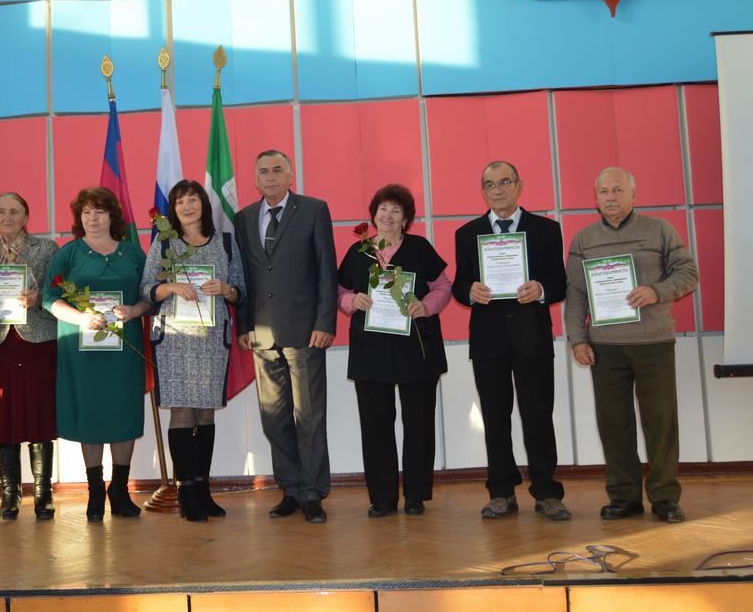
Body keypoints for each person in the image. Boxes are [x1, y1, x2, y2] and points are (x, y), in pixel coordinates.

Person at [566, 167, 698, 523]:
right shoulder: (583, 239)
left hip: (654, 342)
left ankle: (665, 498)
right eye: (603, 191)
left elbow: (688, 273)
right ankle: (624, 497)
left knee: (661, 423)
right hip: (605, 348)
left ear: (633, 195)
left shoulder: (660, 229)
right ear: (595, 199)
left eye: (618, 190)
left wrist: (657, 291)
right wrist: (577, 338)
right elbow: (576, 294)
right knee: (614, 424)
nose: (610, 197)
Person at [452, 161, 570, 521]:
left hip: (532, 337)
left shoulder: (546, 229)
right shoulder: (467, 233)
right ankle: (501, 491)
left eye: (504, 182)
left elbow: (560, 282)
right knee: (495, 417)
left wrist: (542, 289)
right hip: (488, 341)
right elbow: (460, 283)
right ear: (483, 192)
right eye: (490, 184)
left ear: (519, 186)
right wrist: (469, 291)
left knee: (538, 416)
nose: (498, 189)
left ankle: (546, 492)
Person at [235, 149, 338, 523]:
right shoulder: (244, 218)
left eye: (277, 170)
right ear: (256, 179)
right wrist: (243, 325)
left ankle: (312, 492)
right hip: (262, 335)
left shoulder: (313, 210)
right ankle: (291, 489)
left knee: (309, 417)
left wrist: (325, 322)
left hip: (305, 331)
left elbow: (326, 269)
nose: (271, 176)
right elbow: (244, 276)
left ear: (290, 175)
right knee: (274, 419)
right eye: (263, 171)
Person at [338, 184, 451, 518]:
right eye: (383, 209)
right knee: (376, 426)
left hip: (417, 349)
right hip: (371, 350)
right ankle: (383, 497)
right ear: (374, 215)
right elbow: (338, 290)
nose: (388, 216)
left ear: (406, 219)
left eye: (396, 211)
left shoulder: (420, 248)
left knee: (419, 424)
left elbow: (443, 286)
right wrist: (351, 301)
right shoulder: (359, 252)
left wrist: (426, 306)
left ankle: (416, 495)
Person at [140, 180, 247, 522]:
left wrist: (226, 288)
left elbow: (241, 291)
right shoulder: (164, 243)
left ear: (203, 204)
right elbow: (146, 290)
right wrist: (171, 286)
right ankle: (186, 492)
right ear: (173, 209)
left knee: (206, 414)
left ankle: (203, 489)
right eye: (180, 202)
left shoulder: (225, 242)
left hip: (212, 339)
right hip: (175, 340)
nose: (187, 206)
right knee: (183, 413)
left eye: (193, 200)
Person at [42, 187, 150, 522]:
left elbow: (149, 296)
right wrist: (80, 318)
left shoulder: (133, 253)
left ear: (112, 216)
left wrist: (134, 311)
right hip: (81, 350)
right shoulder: (68, 253)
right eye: (87, 211)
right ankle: (94, 491)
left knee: (123, 413)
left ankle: (119, 490)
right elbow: (49, 298)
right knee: (89, 415)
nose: (93, 217)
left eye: (100, 211)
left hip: (124, 349)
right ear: (79, 217)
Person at [0, 193, 59, 521]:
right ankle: (10, 494)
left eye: (14, 211)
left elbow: (59, 289)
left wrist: (39, 297)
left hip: (37, 342)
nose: (7, 217)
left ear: (26, 216)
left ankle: (43, 493)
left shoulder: (46, 249)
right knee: (2, 418)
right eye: (1, 211)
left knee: (38, 418)